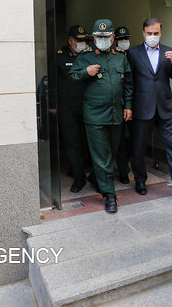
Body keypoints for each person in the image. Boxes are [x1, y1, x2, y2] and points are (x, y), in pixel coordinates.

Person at [69, 19, 133, 213]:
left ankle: (95, 178)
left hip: (116, 113)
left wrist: (128, 106)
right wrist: (85, 72)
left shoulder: (120, 57)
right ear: (93, 37)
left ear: (112, 37)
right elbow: (71, 77)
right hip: (95, 115)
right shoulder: (86, 57)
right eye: (98, 36)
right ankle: (109, 195)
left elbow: (128, 83)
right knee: (101, 156)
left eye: (106, 37)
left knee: (111, 152)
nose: (102, 39)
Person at [128, 18, 172, 201]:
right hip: (142, 108)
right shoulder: (133, 53)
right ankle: (140, 180)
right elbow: (129, 83)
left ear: (160, 33)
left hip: (165, 108)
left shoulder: (169, 51)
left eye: (156, 33)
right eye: (149, 33)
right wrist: (129, 106)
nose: (152, 37)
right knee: (139, 148)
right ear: (143, 33)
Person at [56, 25, 92, 192]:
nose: (82, 43)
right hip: (67, 108)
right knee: (72, 143)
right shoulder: (59, 57)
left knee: (86, 142)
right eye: (79, 40)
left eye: (84, 40)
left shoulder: (90, 56)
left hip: (86, 107)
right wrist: (52, 106)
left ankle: (82, 170)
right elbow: (53, 83)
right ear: (70, 41)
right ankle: (79, 178)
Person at [113, 26, 132, 184]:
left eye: (126, 39)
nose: (124, 42)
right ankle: (124, 171)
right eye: (121, 39)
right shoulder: (114, 57)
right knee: (118, 141)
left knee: (132, 139)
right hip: (118, 107)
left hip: (133, 105)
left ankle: (127, 167)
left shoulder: (135, 55)